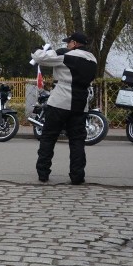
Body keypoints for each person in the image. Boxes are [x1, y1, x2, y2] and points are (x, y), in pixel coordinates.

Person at [31, 31, 98, 185]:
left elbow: (40, 57)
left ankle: (43, 173)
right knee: (77, 141)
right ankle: (77, 176)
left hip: (60, 101)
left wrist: (36, 48)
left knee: (48, 137)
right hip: (81, 104)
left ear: (74, 43)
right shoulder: (93, 59)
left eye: (69, 42)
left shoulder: (66, 54)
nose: (67, 44)